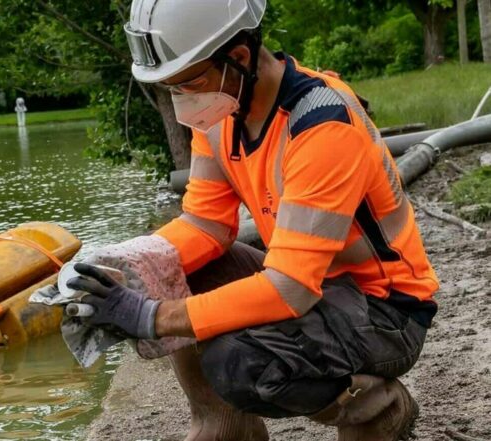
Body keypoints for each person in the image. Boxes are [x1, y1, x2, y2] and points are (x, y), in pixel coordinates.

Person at [67, 1, 439, 440]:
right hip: (315, 288)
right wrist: (126, 265)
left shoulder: (321, 125)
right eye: (171, 88)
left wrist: (152, 316)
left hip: (385, 310)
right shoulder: (220, 111)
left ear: (238, 58)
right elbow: (206, 225)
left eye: (186, 83)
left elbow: (290, 288)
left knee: (241, 361)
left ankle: (379, 410)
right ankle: (225, 427)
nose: (181, 100)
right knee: (170, 266)